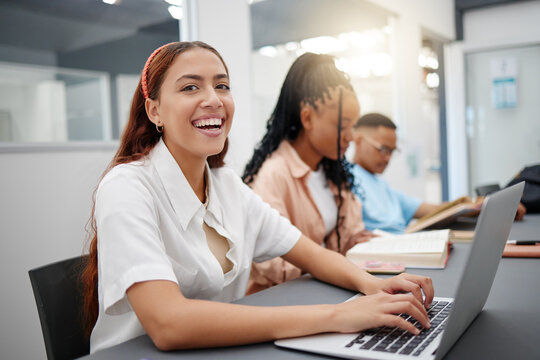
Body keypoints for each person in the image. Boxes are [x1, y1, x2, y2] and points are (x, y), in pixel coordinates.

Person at [81, 41, 434, 353]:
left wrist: (375, 286)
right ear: (154, 110)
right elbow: (168, 324)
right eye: (190, 87)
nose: (213, 99)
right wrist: (339, 316)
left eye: (222, 86)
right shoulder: (126, 187)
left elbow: (311, 254)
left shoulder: (225, 185)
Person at [242, 53, 374, 294]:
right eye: (342, 125)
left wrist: (360, 245)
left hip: (328, 290)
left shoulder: (332, 171)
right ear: (307, 118)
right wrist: (334, 264)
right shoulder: (274, 174)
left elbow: (352, 235)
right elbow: (273, 265)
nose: (351, 136)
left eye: (353, 126)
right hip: (282, 301)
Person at [351, 113, 525, 234]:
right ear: (357, 140)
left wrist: (485, 205)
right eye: (383, 149)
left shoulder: (382, 186)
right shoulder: (346, 180)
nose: (388, 158)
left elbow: (433, 210)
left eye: (392, 151)